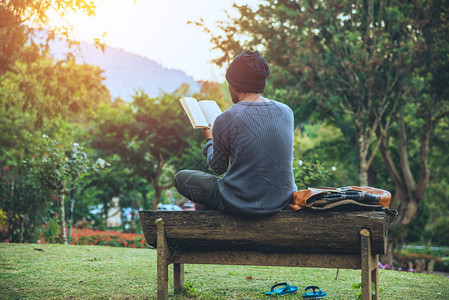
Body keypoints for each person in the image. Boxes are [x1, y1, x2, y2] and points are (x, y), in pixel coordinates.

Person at [174, 50, 296, 215]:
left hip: (239, 202)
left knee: (182, 178)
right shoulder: (286, 112)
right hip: (281, 200)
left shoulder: (227, 118)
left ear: (234, 84)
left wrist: (210, 139)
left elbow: (218, 167)